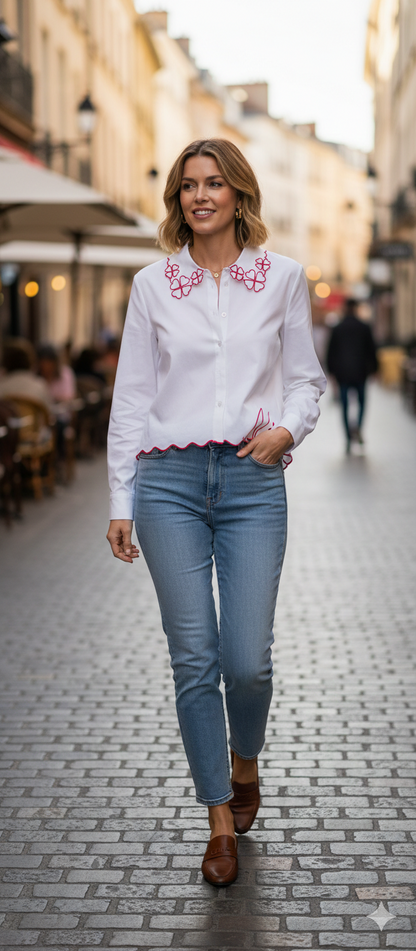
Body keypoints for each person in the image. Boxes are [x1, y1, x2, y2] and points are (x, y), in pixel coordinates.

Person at [107, 139, 326, 886]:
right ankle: (219, 819)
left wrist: (287, 431)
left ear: (239, 195)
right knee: (194, 657)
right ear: (178, 198)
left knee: (247, 661)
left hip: (251, 481)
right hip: (166, 483)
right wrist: (120, 498)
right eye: (189, 185)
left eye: (215, 183)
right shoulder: (153, 285)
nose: (200, 195)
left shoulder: (283, 278)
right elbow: (132, 397)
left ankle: (245, 760)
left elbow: (305, 380)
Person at [327, 299, 378, 452]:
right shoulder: (364, 327)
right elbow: (371, 350)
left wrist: (331, 371)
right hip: (361, 372)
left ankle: (348, 437)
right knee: (362, 403)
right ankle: (358, 428)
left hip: (342, 373)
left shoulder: (337, 328)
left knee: (344, 406)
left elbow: (331, 351)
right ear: (355, 309)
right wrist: (375, 369)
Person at [0, 339, 51, 411]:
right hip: (34, 419)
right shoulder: (39, 385)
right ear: (30, 362)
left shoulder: (2, 386)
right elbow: (48, 412)